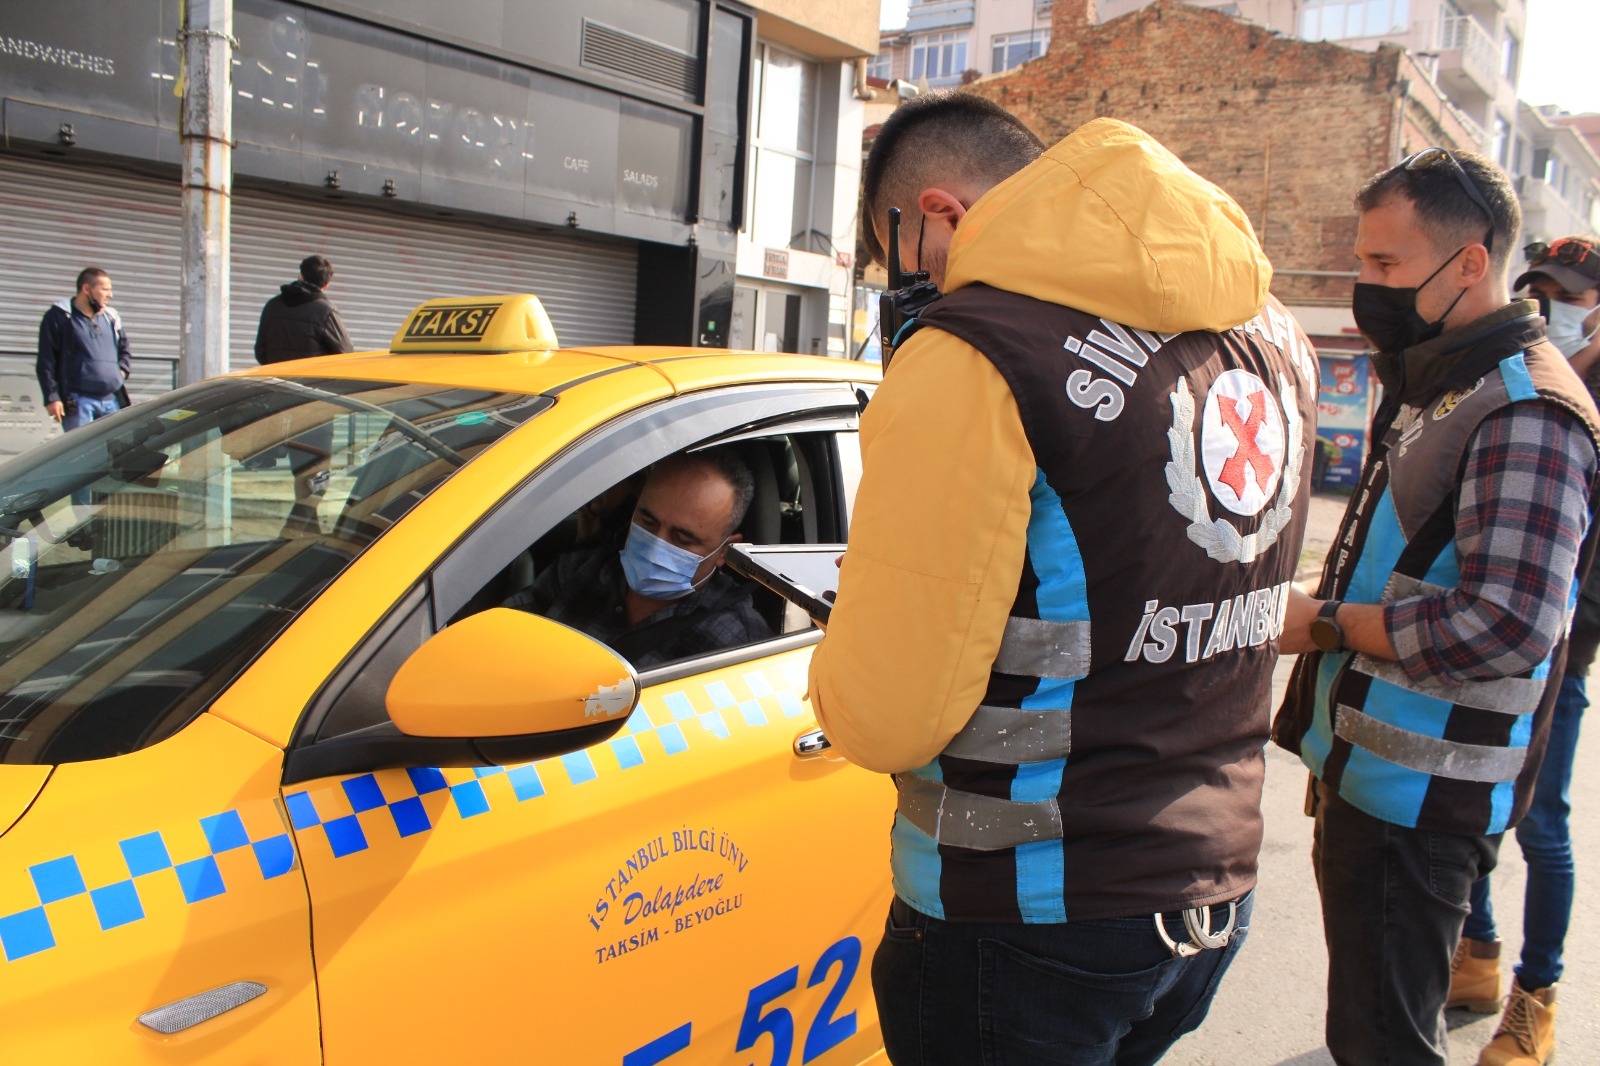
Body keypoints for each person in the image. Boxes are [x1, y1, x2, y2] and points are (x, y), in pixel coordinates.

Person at [808, 92, 1318, 1065]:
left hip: (1024, 916)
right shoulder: (1271, 335)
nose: (909, 285)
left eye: (896, 250)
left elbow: (884, 718)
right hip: (1207, 890)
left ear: (940, 213)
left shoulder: (975, 355)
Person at [1274, 154, 1600, 1066]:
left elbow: (1507, 624)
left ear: (1469, 263)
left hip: (1424, 801)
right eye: (1364, 262)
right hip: (1376, 777)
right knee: (1370, 1025)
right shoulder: (1445, 381)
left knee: (1385, 1043)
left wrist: (1329, 624)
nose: (1366, 287)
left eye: (1387, 266)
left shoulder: (1527, 410)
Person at [1446, 235, 1600, 1066]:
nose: (1553, 305)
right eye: (1541, 288)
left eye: (1571, 294)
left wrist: (1570, 641)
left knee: (1542, 827)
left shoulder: (1575, 404)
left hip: (1559, 657)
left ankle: (1535, 998)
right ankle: (1477, 957)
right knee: (1473, 808)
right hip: (1479, 638)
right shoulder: (1511, 375)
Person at [510, 447, 772, 669]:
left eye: (682, 539)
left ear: (724, 551)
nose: (656, 547)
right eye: (648, 522)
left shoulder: (739, 641)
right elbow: (500, 632)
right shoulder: (577, 571)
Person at [36, 267, 131, 431]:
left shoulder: (111, 317)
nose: (110, 295)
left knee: (116, 452)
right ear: (86, 289)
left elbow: (125, 350)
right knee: (82, 453)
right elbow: (46, 360)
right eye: (105, 290)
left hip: (112, 401)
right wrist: (52, 397)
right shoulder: (61, 317)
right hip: (79, 402)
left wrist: (121, 372)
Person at [254, 254, 354, 364]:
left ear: (300, 276)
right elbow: (346, 353)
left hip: (277, 378)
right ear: (326, 285)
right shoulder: (326, 311)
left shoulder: (272, 305)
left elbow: (260, 351)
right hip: (312, 379)